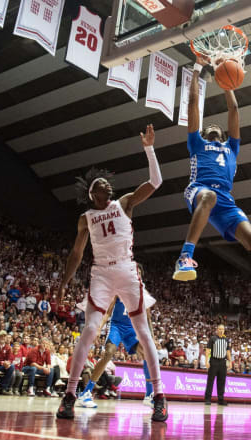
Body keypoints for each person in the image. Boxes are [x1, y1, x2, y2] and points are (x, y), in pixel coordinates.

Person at [56, 125, 166, 422]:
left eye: (106, 181)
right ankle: (70, 395)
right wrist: (65, 282)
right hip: (101, 273)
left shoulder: (125, 202)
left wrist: (149, 148)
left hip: (128, 269)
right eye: (99, 182)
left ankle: (158, 396)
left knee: (144, 334)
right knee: (90, 330)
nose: (105, 182)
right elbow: (77, 253)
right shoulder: (86, 218)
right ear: (92, 194)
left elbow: (156, 181)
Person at [173, 54, 251, 342]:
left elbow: (234, 110)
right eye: (206, 127)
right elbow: (193, 105)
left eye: (215, 128)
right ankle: (185, 256)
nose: (210, 127)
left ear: (221, 134)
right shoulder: (197, 142)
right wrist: (198, 70)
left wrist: (226, 81)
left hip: (226, 200)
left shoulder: (231, 148)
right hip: (199, 190)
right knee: (208, 197)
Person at [78, 287, 158, 409]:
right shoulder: (119, 290)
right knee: (108, 353)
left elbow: (148, 319)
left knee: (147, 352)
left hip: (132, 329)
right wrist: (99, 328)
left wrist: (151, 337)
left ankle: (148, 394)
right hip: (116, 326)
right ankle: (86, 393)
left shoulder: (143, 295)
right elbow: (108, 312)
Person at [204, 324, 231, 405]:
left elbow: (228, 352)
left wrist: (230, 362)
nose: (221, 330)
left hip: (223, 362)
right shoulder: (213, 338)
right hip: (214, 361)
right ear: (217, 330)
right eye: (219, 329)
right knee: (210, 381)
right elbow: (208, 350)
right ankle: (208, 399)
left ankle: (220, 399)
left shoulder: (227, 340)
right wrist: (206, 361)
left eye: (222, 329)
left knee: (222, 381)